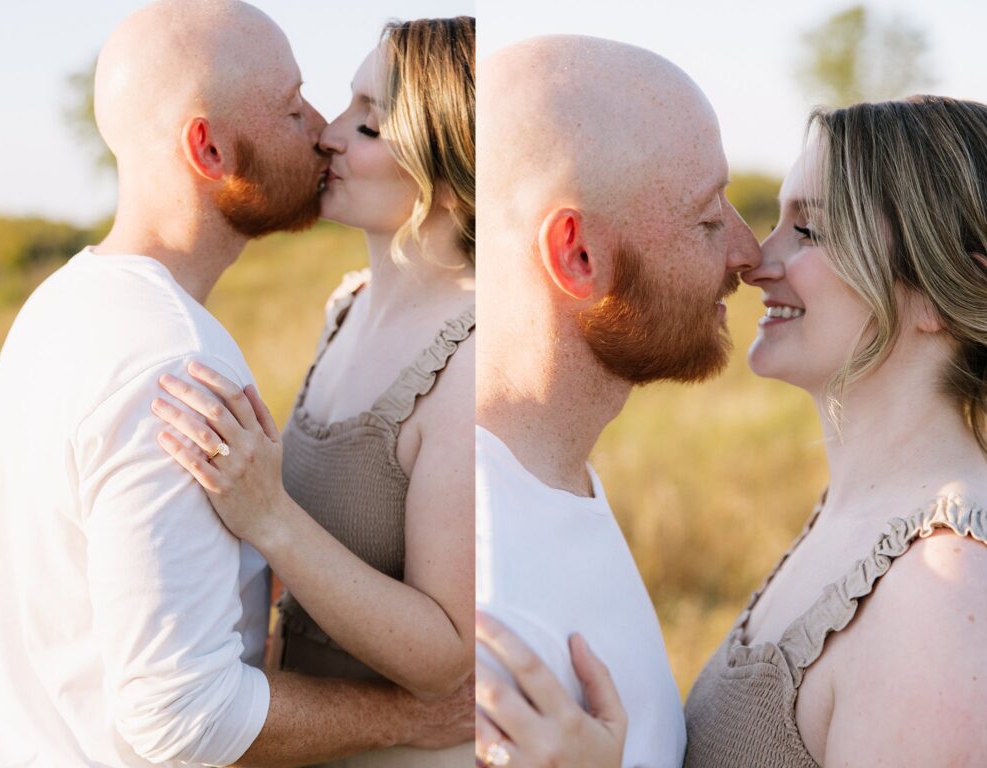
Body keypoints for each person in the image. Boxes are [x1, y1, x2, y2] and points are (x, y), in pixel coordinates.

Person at [0, 2, 471, 766]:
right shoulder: (169, 358)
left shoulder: (58, 307)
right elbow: (182, 717)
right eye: (292, 106)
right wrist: (404, 717)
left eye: (356, 115)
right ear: (208, 147)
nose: (322, 129)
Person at [480, 95, 987, 767]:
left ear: (936, 292)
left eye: (811, 231)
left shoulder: (943, 594)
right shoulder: (863, 519)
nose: (754, 260)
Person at [152, 15, 475, 768]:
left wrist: (268, 517)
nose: (327, 135)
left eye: (368, 124)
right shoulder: (347, 306)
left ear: (450, 169)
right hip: (315, 740)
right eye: (343, 108)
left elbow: (445, 656)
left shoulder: (472, 359)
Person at [473, 35, 760, 768]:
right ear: (579, 256)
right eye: (707, 218)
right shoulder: (485, 584)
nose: (747, 250)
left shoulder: (548, 479)